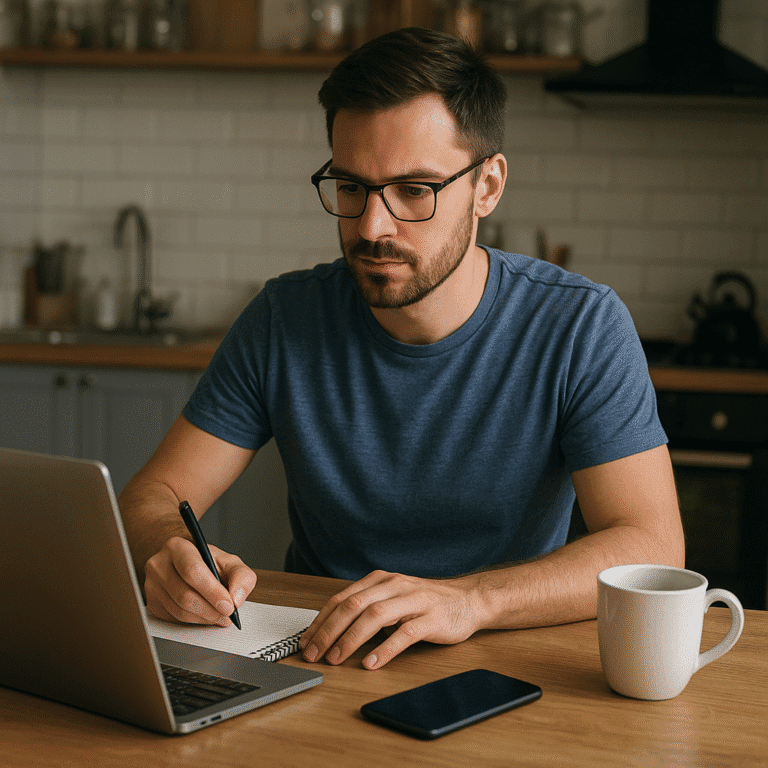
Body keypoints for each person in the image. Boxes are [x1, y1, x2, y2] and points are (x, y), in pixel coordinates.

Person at [119, 27, 684, 671]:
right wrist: (166, 550)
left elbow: (654, 547)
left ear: (488, 186)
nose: (371, 226)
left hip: (504, 663)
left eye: (414, 190)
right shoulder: (284, 317)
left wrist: (469, 602)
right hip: (319, 659)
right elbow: (152, 494)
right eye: (351, 186)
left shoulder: (580, 325)